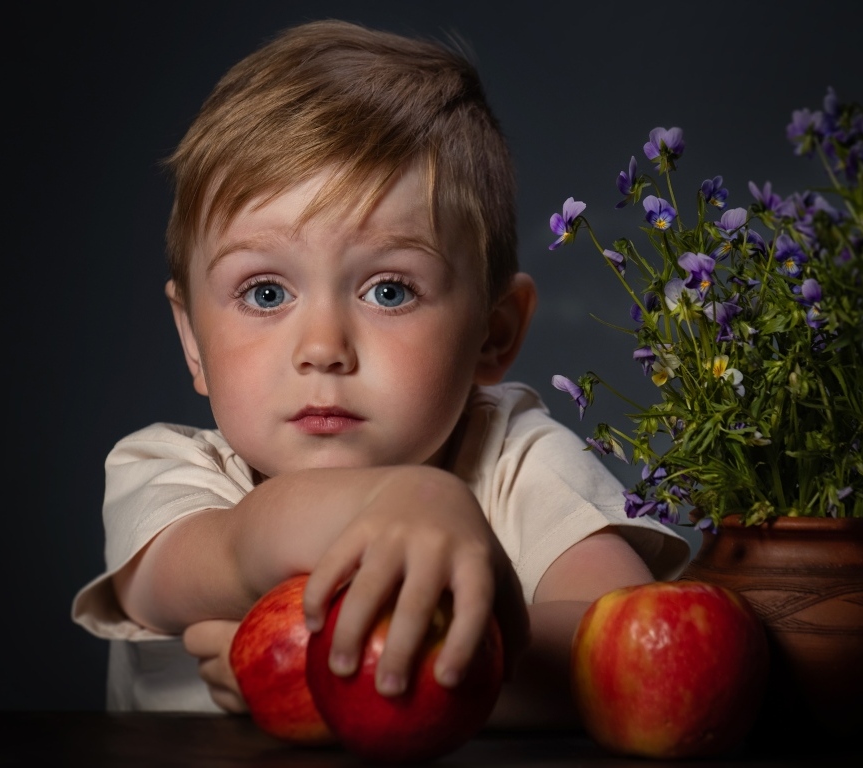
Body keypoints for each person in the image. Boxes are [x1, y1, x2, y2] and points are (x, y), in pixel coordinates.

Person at [72, 19, 689, 727]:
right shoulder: (165, 471)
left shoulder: (514, 458)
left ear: (495, 332)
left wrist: (354, 670)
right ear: (191, 340)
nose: (324, 347)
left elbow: (617, 647)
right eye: (266, 293)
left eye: (390, 290)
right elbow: (233, 549)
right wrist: (409, 500)